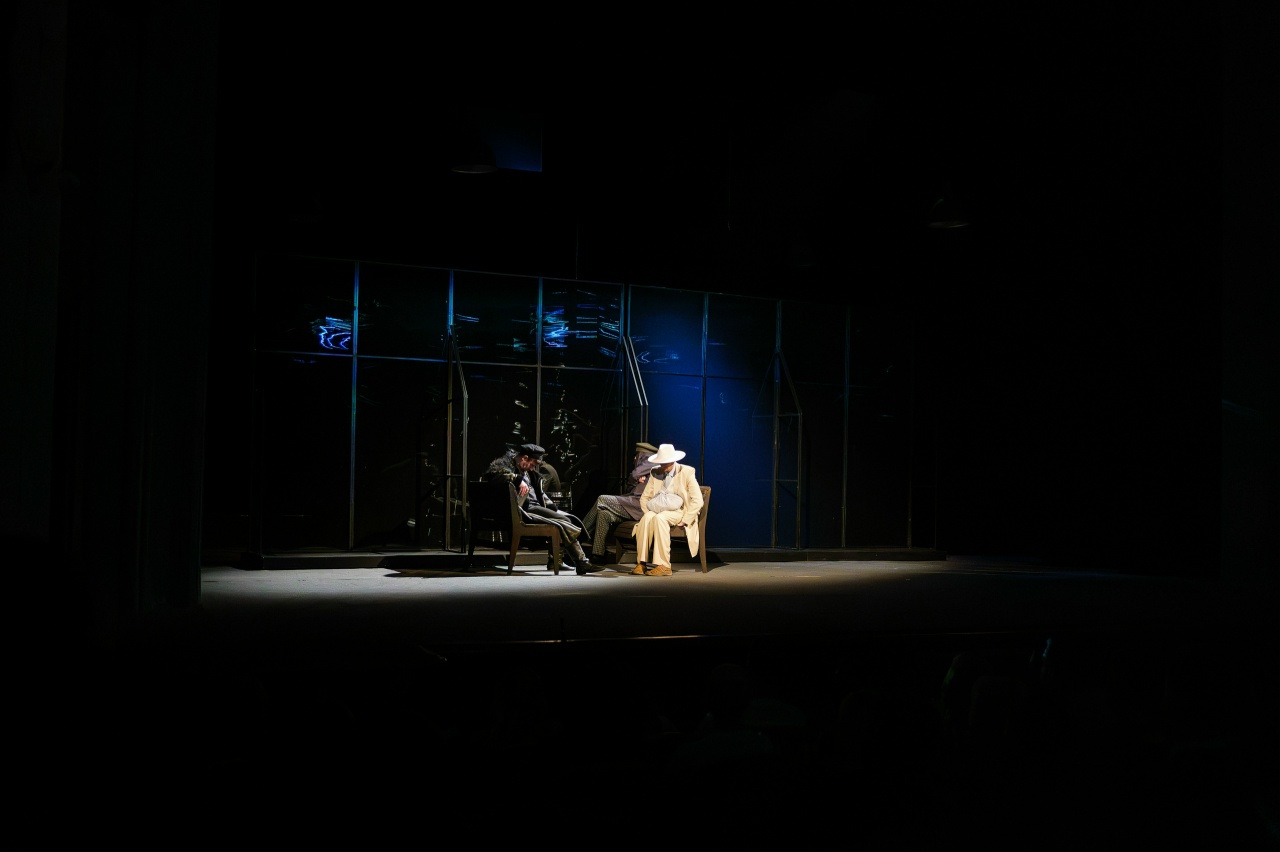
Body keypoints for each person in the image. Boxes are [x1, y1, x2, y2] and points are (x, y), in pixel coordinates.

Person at [481, 442, 600, 575]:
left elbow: (539, 492)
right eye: (532, 464)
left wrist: (550, 505)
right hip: (525, 510)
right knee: (563, 521)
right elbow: (493, 475)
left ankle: (561, 561)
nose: (533, 468)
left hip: (535, 507)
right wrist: (517, 479)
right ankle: (580, 562)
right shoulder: (506, 467)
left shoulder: (528, 472)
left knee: (568, 519)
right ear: (524, 458)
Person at [630, 443, 703, 576]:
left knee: (660, 518)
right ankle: (642, 563)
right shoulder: (655, 472)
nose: (663, 466)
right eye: (661, 463)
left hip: (679, 511)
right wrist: (649, 513)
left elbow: (698, 500)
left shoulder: (687, 472)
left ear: (673, 460)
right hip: (658, 509)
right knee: (647, 518)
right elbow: (644, 498)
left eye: (665, 463)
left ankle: (664, 565)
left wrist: (685, 520)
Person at [580, 440, 659, 563]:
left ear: (643, 455)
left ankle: (578, 535)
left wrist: (635, 478)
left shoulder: (650, 461)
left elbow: (634, 475)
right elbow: (630, 486)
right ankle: (598, 554)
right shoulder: (648, 470)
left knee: (602, 499)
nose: (634, 459)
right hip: (632, 506)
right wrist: (636, 481)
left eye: (637, 455)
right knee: (604, 514)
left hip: (639, 506)